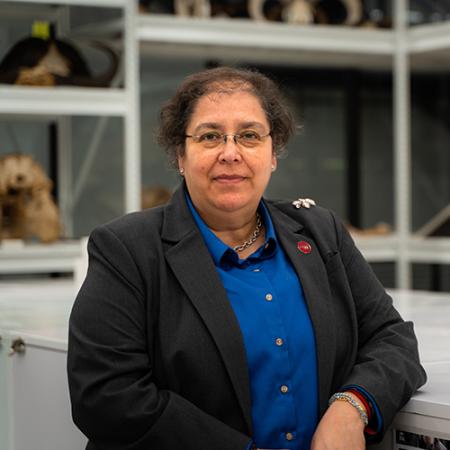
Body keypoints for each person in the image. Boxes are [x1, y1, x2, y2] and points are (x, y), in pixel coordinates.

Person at [67, 66, 426, 450]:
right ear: (180, 156)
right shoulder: (127, 248)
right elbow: (106, 396)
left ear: (273, 153)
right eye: (209, 136)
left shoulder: (321, 233)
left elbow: (392, 338)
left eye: (250, 136)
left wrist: (352, 406)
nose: (230, 153)